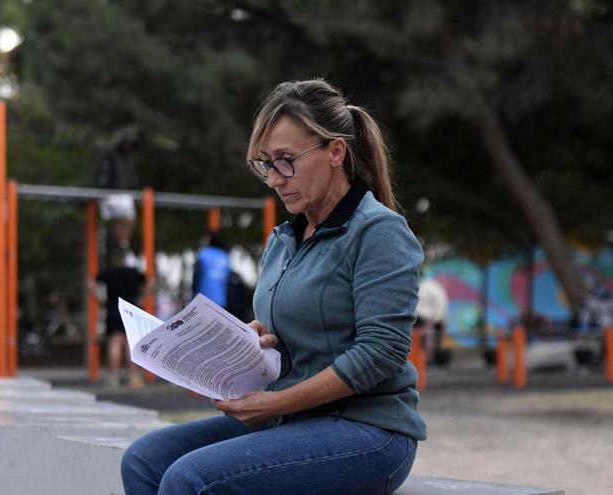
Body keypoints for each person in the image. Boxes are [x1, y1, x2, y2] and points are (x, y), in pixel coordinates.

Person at [122, 79, 424, 494]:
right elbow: (287, 336)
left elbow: (382, 353)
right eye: (265, 164)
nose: (275, 179)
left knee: (189, 479)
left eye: (286, 160)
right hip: (293, 421)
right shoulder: (282, 240)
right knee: (143, 460)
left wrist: (278, 402)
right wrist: (250, 342)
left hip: (368, 430)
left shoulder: (380, 232)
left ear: (336, 152)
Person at [87, 248, 152, 388]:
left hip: (113, 310)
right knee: (130, 346)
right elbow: (150, 282)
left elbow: (90, 283)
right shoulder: (133, 272)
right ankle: (133, 378)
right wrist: (143, 298)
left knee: (114, 344)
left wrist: (99, 298)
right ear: (126, 259)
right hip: (130, 312)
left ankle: (113, 378)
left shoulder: (109, 272)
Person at [191, 230, 231, 308]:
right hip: (221, 301)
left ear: (209, 239)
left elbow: (196, 278)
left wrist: (193, 296)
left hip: (203, 300)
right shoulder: (225, 256)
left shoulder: (203, 254)